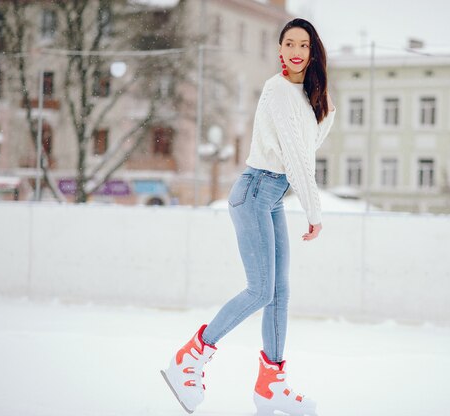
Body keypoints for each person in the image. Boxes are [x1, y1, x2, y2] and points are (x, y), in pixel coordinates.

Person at [161, 18, 335, 416]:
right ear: (280, 50)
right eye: (288, 43)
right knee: (260, 290)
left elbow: (307, 146)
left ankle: (270, 383)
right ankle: (190, 357)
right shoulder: (276, 90)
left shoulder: (302, 97)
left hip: (270, 198)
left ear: (312, 53)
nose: (295, 50)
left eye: (303, 45)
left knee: (280, 292)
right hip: (257, 190)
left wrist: (323, 101)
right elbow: (295, 159)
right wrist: (314, 210)